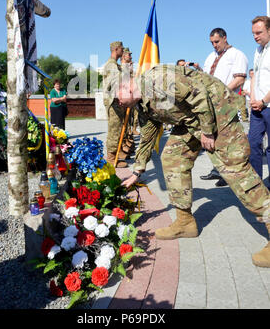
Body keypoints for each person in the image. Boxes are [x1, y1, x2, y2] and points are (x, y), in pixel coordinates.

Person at [115, 64, 270, 267]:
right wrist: (137, 171)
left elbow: (199, 94)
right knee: (172, 158)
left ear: (127, 87)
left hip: (216, 114)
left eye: (117, 98)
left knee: (236, 172)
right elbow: (147, 135)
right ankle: (185, 222)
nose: (118, 104)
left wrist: (207, 131)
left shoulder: (159, 80)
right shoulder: (140, 103)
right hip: (191, 121)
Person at [195, 28, 248, 186]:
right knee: (215, 137)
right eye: (212, 42)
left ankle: (230, 173)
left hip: (227, 103)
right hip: (211, 103)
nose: (214, 45)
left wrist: (220, 92)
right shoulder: (211, 56)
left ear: (225, 38)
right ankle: (217, 169)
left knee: (228, 139)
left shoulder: (237, 55)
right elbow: (205, 77)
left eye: (217, 42)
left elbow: (239, 79)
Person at [248, 16, 270, 189]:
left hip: (268, 105)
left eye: (259, 32)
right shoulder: (258, 50)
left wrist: (264, 101)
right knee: (253, 143)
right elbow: (254, 76)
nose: (255, 36)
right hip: (258, 107)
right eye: (253, 33)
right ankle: (256, 185)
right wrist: (254, 99)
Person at [102, 41, 128, 168]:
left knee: (117, 129)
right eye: (121, 49)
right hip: (113, 102)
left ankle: (114, 155)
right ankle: (111, 159)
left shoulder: (115, 65)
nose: (123, 51)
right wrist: (125, 68)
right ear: (116, 49)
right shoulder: (111, 65)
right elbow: (119, 81)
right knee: (114, 129)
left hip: (115, 101)